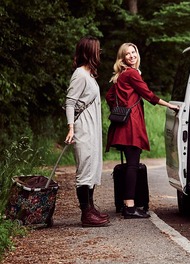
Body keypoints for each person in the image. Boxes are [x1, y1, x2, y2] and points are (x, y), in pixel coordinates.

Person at [105, 43, 179, 219]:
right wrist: (169, 105)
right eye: (127, 54)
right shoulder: (131, 73)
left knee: (131, 164)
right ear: (122, 58)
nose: (131, 56)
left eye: (133, 52)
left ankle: (126, 204)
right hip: (131, 125)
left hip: (121, 125)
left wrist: (119, 108)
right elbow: (148, 94)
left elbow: (109, 96)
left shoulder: (121, 75)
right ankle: (130, 207)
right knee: (132, 165)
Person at [64, 36, 109, 227]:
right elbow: (70, 102)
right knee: (84, 169)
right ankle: (86, 213)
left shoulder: (90, 74)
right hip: (83, 128)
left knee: (92, 167)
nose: (99, 52)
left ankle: (91, 207)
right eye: (96, 49)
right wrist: (71, 128)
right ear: (89, 51)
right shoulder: (80, 74)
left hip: (93, 128)